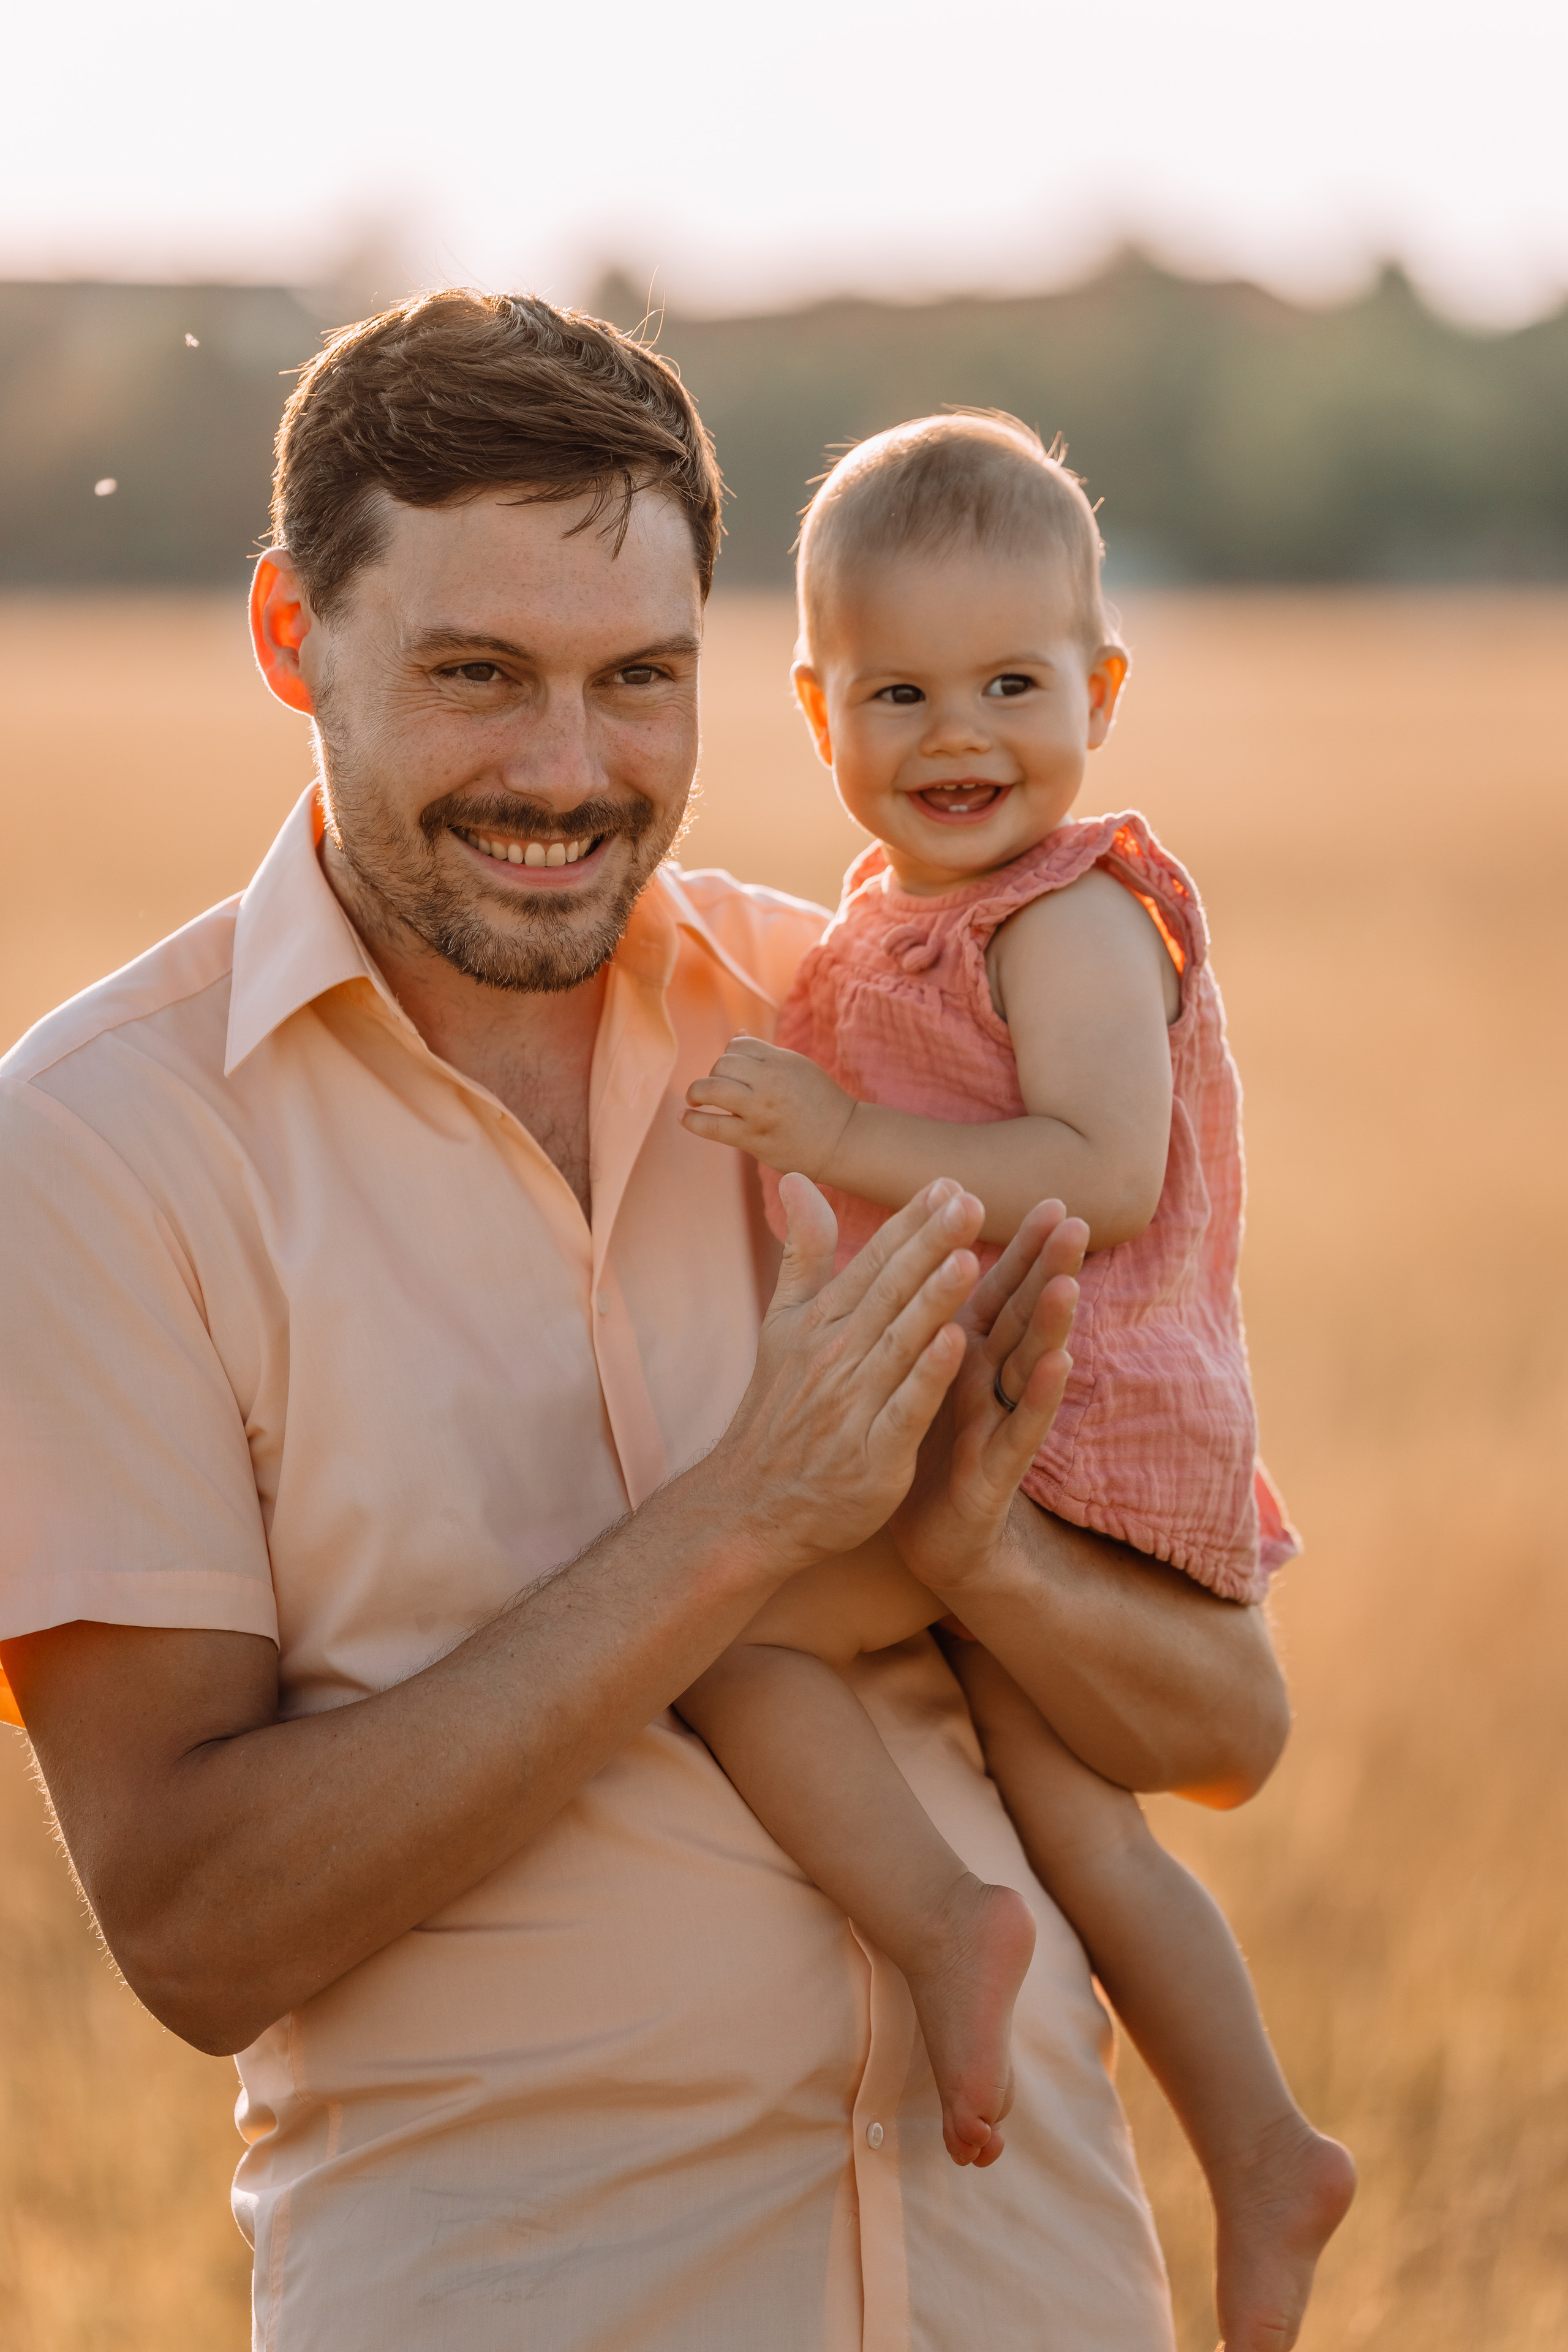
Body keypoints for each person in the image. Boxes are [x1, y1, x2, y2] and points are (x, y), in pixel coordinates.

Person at [0, 294, 1292, 2352]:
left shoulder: (855, 1027)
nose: (566, 770)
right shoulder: (102, 1148)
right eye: (477, 674)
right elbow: (192, 1929)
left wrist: (982, 1558)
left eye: (639, 681)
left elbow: (1229, 1733)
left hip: (1033, 2291)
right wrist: (746, 1520)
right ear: (291, 637)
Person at [677, 413, 1355, 2351]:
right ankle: (1262, 2145)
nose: (956, 733)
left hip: (1067, 1425)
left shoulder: (1069, 912)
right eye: (898, 691)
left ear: (1101, 693)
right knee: (1084, 1826)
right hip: (1003, 1424)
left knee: (727, 1635)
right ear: (816, 711)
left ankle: (932, 1916)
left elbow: (1102, 1169)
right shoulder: (889, 920)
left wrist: (835, 1134)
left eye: (1012, 685)